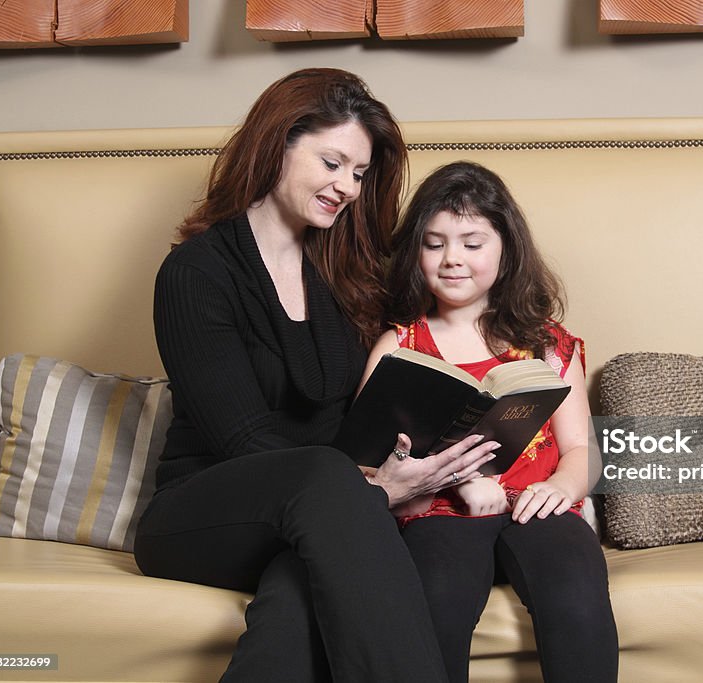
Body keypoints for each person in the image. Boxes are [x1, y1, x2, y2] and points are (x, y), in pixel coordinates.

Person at [133, 69, 500, 683]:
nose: (348, 188)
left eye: (358, 174)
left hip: (326, 518)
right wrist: (379, 490)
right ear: (275, 144)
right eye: (332, 163)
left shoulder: (348, 271)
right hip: (204, 514)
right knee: (322, 474)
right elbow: (244, 442)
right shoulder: (195, 274)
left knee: (298, 597)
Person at [362, 161, 619, 683]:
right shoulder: (399, 346)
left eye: (472, 243)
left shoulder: (547, 345)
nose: (451, 258)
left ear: (505, 249)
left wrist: (560, 487)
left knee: (577, 596)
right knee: (437, 604)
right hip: (438, 514)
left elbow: (581, 449)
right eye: (434, 244)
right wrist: (450, 486)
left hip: (535, 507)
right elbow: (367, 462)